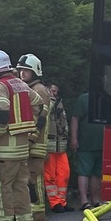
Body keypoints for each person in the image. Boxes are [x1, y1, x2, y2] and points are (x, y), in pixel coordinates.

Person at [0, 50, 40, 221]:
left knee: (2, 186)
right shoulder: (21, 84)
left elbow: (2, 112)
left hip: (5, 148)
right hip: (22, 147)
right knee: (20, 186)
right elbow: (39, 103)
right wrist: (30, 126)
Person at [15, 54, 50, 221]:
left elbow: (39, 120)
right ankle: (32, 217)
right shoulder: (30, 88)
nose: (22, 73)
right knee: (28, 182)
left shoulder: (40, 90)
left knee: (34, 182)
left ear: (35, 71)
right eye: (20, 70)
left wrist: (30, 140)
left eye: (26, 70)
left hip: (35, 145)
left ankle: (38, 220)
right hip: (30, 143)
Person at [68, 89, 105, 210]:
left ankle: (95, 199)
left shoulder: (106, 99)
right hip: (86, 143)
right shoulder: (83, 99)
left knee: (97, 173)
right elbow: (75, 118)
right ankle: (84, 201)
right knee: (84, 171)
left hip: (102, 144)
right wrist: (74, 138)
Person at [43, 78, 70, 213]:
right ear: (47, 90)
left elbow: (63, 122)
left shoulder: (59, 103)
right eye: (52, 91)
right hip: (50, 146)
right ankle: (55, 204)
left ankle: (62, 202)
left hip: (61, 146)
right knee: (50, 176)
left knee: (64, 174)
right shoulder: (46, 103)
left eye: (56, 91)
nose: (54, 94)